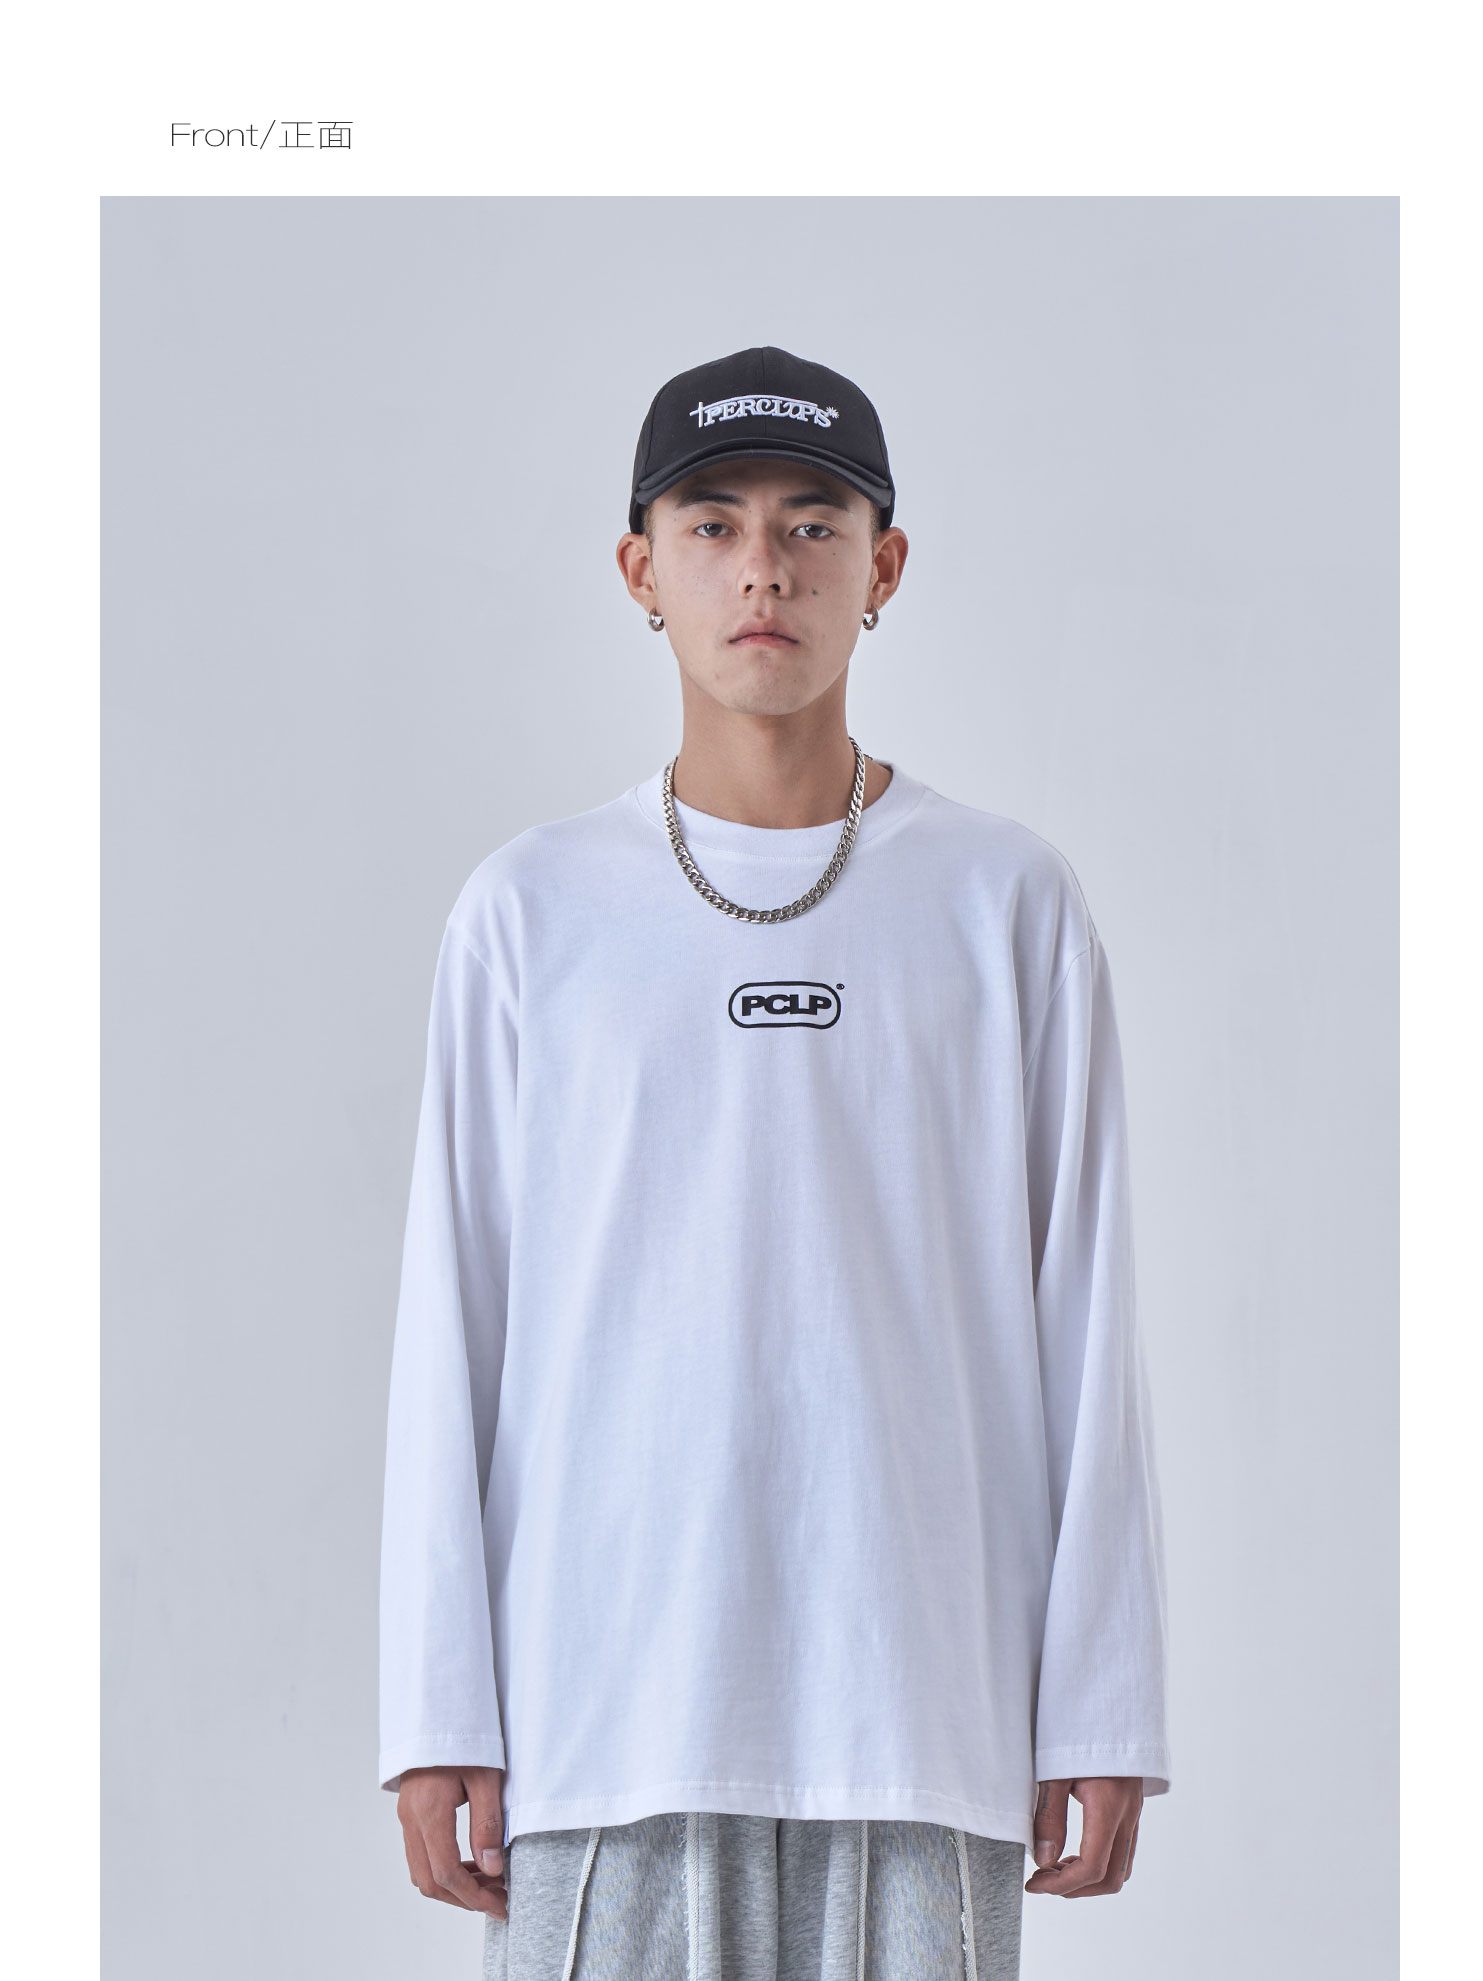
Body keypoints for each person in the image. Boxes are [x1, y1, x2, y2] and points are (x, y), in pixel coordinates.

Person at [379, 347, 1172, 1980]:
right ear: (640, 568)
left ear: (885, 567)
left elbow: (1088, 1311)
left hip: (923, 1713)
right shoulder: (531, 912)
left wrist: (1102, 1699)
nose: (764, 567)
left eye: (815, 524)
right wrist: (437, 1704)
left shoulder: (1004, 902)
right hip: (603, 1716)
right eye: (714, 523)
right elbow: (453, 1317)